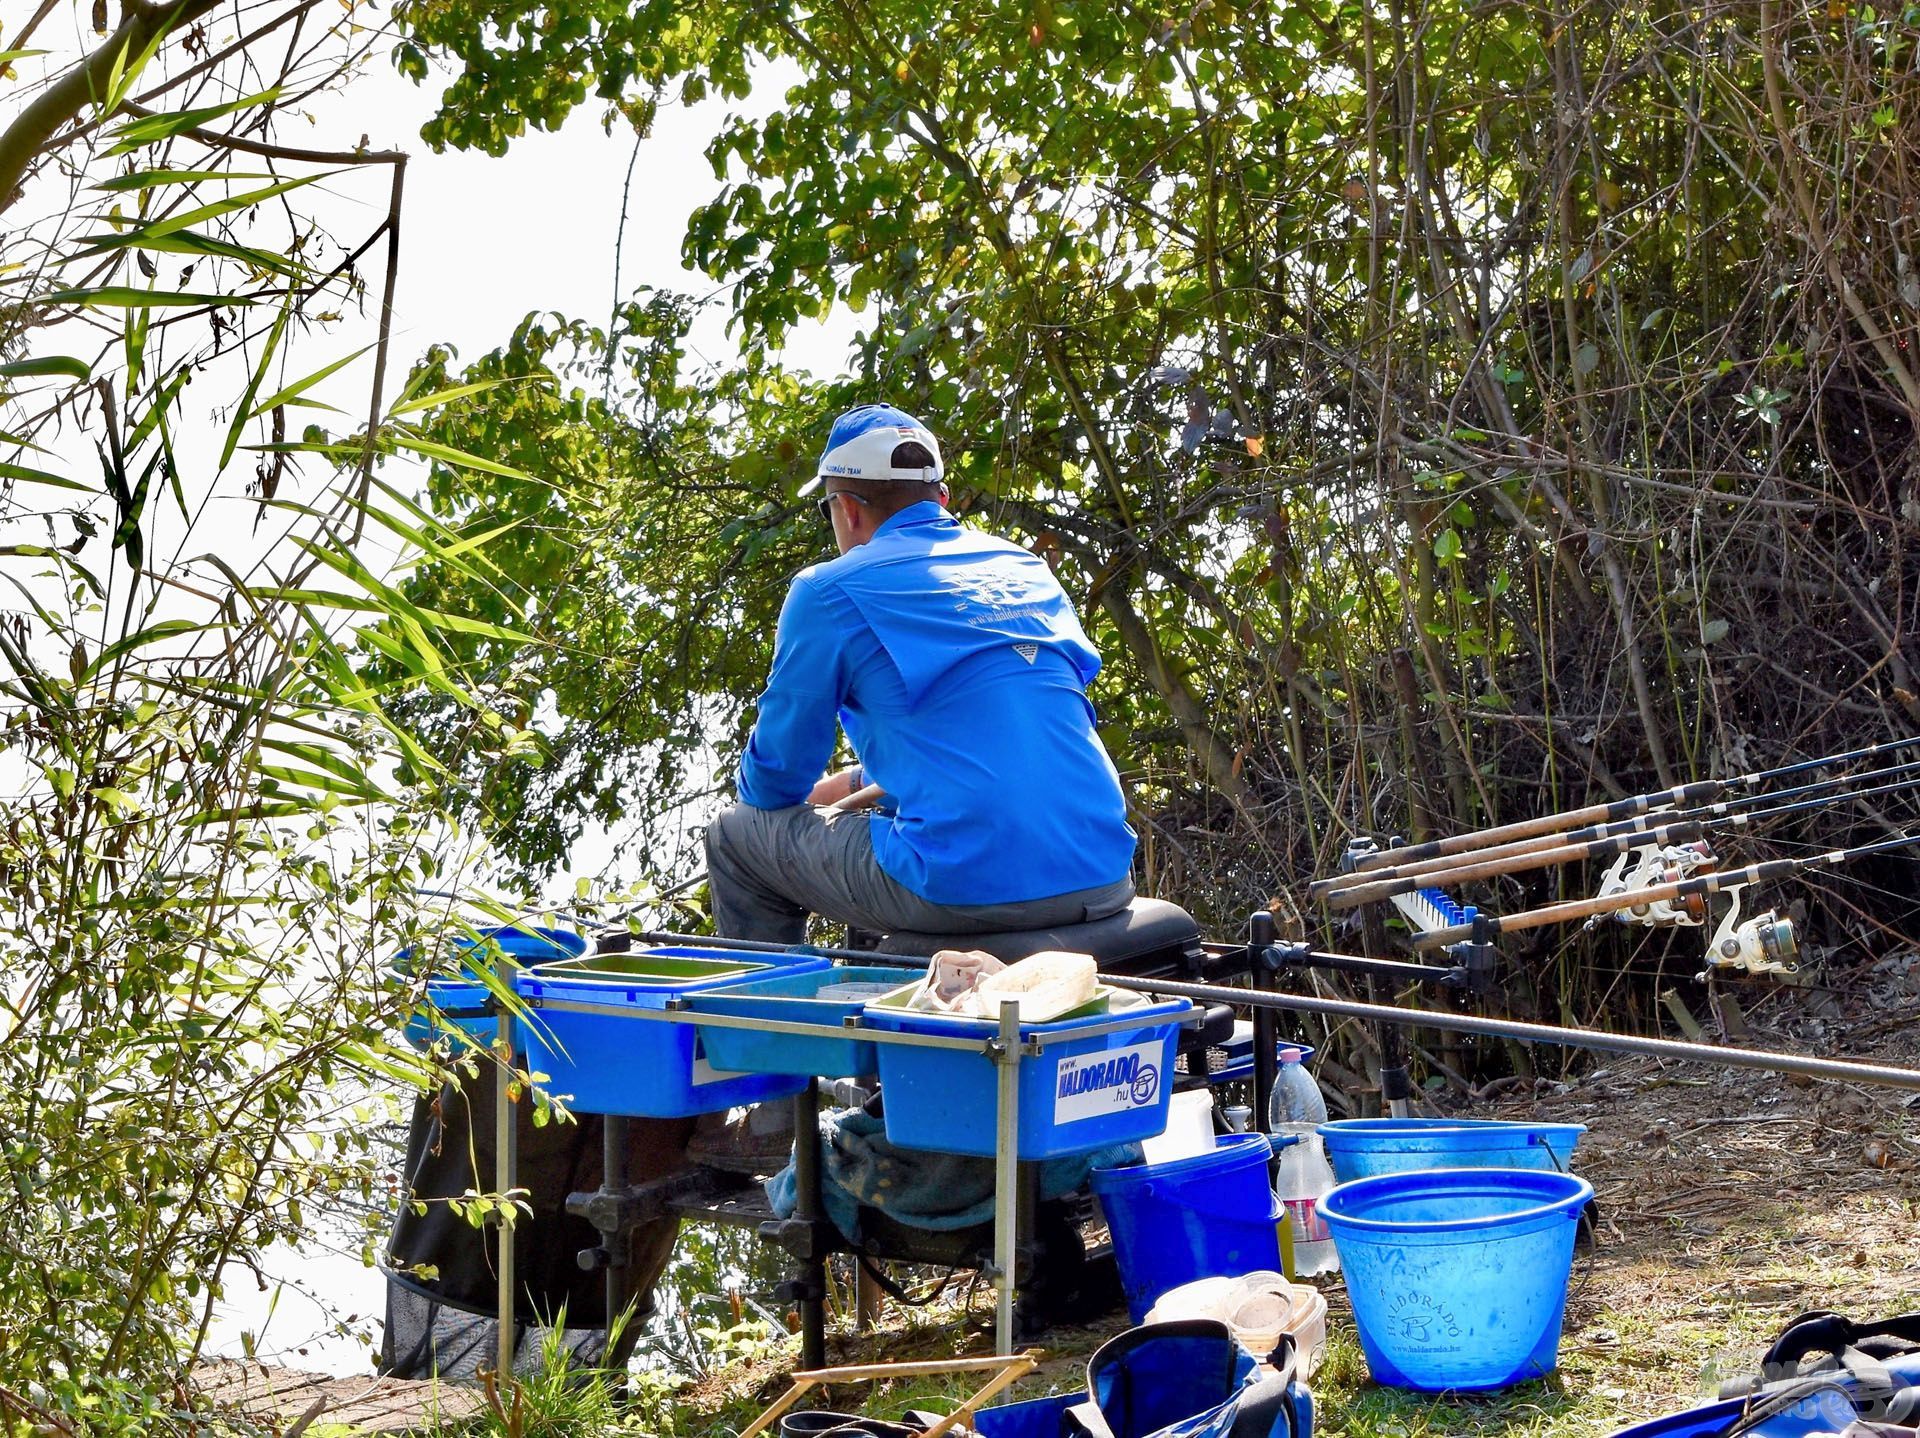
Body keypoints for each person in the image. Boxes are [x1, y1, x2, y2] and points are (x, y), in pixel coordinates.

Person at [702, 402, 1138, 950]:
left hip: (964, 890)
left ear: (847, 510)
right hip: (1102, 874)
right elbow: (1001, 740)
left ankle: (777, 1026)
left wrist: (800, 799)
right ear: (942, 499)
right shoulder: (1025, 569)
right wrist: (862, 783)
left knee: (736, 835)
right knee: (892, 823)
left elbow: (773, 783)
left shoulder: (827, 591)